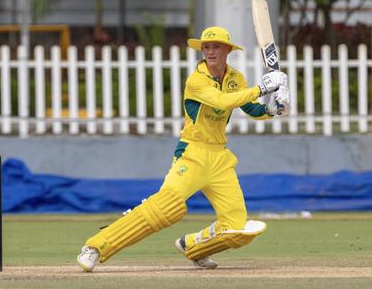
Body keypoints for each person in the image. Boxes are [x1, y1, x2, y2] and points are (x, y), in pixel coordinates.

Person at [76, 26, 290, 272]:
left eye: (216, 46)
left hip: (220, 158)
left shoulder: (235, 78)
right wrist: (262, 88)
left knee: (237, 228)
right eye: (206, 47)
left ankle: (193, 247)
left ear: (228, 50)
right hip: (193, 153)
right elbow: (221, 101)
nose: (210, 52)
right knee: (165, 208)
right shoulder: (196, 80)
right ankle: (96, 247)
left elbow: (251, 108)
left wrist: (274, 109)